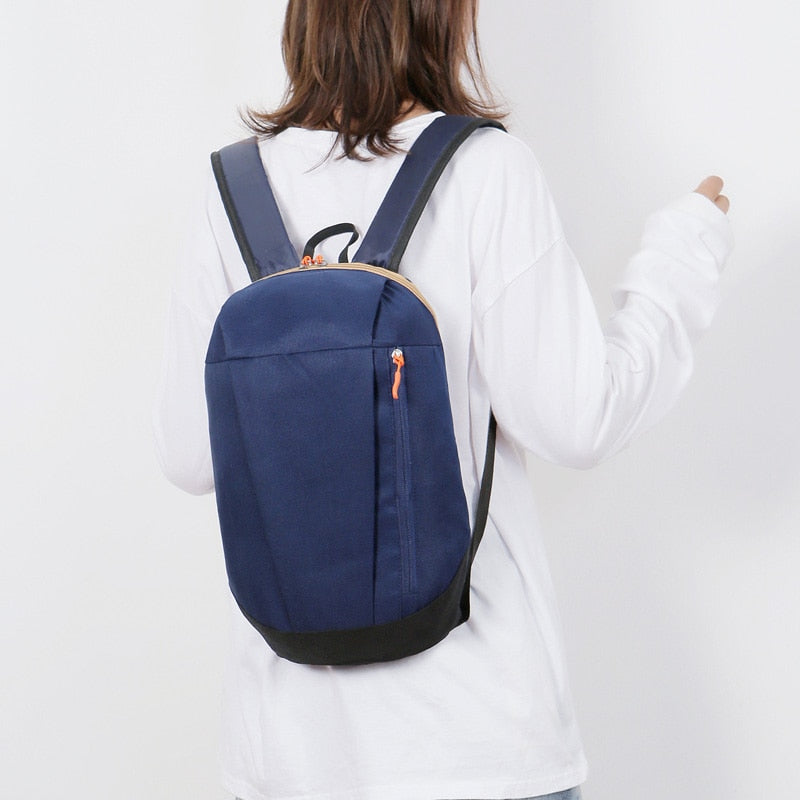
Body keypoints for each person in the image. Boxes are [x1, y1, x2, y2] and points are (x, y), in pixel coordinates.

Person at [153, 1, 733, 798]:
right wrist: (683, 252)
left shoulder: (233, 186)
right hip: (474, 740)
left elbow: (187, 456)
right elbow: (578, 423)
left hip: (288, 754)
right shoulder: (486, 169)